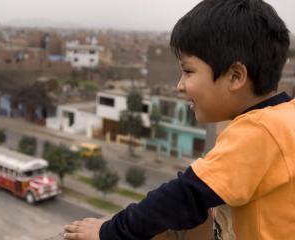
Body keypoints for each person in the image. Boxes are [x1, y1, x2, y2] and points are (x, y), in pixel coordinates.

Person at [64, 0, 293, 239]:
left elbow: (184, 197)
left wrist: (108, 231)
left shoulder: (259, 132)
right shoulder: (285, 118)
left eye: (188, 71)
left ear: (235, 76)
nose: (179, 85)